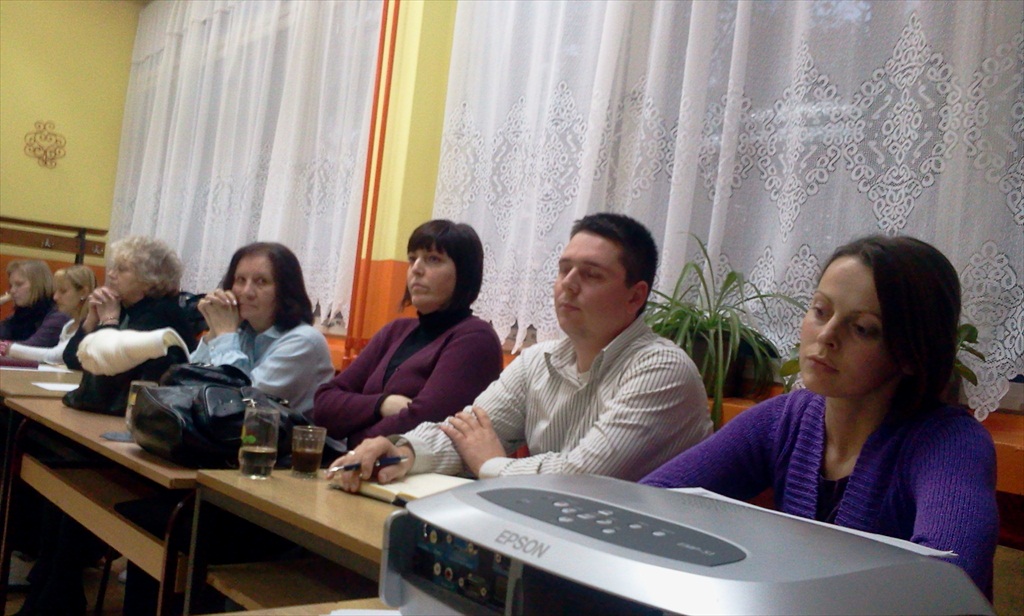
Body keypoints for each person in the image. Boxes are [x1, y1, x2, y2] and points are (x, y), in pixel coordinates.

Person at [640, 236, 999, 599]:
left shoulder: (950, 444)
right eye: (820, 311)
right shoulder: (783, 419)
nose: (826, 336)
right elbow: (645, 506)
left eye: (862, 328)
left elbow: (948, 585)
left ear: (911, 354)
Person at [330, 213, 712, 491]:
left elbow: (580, 480)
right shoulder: (537, 361)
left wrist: (492, 465)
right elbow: (463, 432)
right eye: (564, 269)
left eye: (591, 274)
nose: (568, 285)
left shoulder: (662, 369)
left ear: (635, 296)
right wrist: (402, 451)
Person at [313, 219, 503, 448]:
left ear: (464, 274)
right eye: (413, 259)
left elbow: (424, 423)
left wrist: (355, 437)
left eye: (433, 259)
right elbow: (323, 404)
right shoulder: (395, 331)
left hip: (415, 469)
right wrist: (382, 404)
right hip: (363, 463)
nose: (416, 269)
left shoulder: (475, 338)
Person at [192, 241, 334, 417]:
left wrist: (224, 334)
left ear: (284, 291)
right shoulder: (243, 331)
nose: (247, 292)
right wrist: (214, 331)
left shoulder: (304, 341)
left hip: (282, 434)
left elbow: (236, 403)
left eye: (261, 282)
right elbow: (188, 384)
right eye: (240, 280)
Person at [61, 236, 197, 415]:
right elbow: (72, 360)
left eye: (122, 269)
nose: (111, 274)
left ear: (149, 280)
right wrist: (91, 321)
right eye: (113, 267)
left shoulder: (160, 315)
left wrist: (109, 322)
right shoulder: (124, 307)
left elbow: (103, 384)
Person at [3, 265, 96, 364]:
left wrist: (6, 347)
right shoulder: (68, 325)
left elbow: (57, 356)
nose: (55, 297)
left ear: (83, 293)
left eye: (63, 291)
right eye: (55, 291)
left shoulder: (91, 324)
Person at [0, 260, 70, 356]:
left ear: (38, 285)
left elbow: (30, 347)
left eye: (19, 284)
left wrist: (4, 347)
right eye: (11, 286)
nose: (12, 291)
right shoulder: (21, 314)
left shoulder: (58, 315)